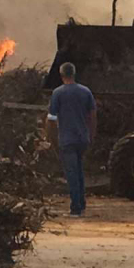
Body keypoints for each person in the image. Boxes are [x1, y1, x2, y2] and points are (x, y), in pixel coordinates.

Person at [46, 62, 97, 217]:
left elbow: (51, 119)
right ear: (74, 74)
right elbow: (93, 116)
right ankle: (81, 203)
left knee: (71, 173)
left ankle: (75, 208)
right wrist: (91, 135)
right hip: (82, 138)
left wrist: (52, 138)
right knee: (79, 170)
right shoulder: (86, 91)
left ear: (62, 76)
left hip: (67, 139)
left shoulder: (58, 93)